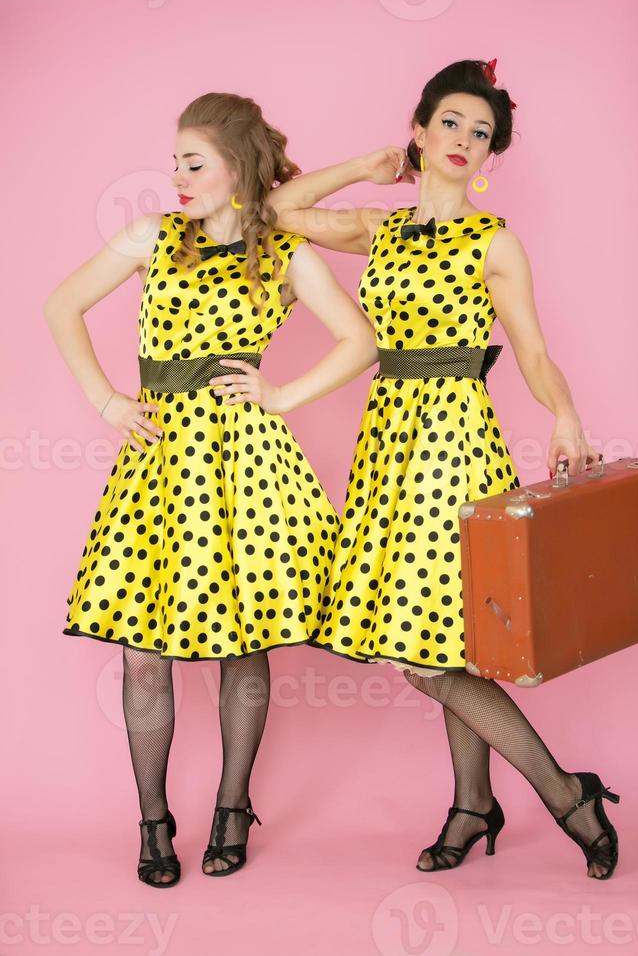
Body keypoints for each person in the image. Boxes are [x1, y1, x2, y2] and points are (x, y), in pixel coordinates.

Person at [267, 59, 620, 879]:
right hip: (387, 440)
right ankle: (471, 802)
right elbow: (275, 210)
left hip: (453, 444)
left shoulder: (494, 241)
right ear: (420, 132)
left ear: (491, 157)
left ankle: (567, 793)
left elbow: (532, 351)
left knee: (426, 651)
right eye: (451, 124)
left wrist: (565, 414)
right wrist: (365, 164)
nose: (465, 141)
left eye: (482, 133)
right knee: (445, 638)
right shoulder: (377, 229)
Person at [44, 92, 378, 887]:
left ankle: (234, 808)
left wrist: (281, 397)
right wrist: (106, 400)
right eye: (177, 163)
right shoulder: (154, 237)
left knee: (245, 643)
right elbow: (62, 306)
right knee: (143, 652)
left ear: (238, 165)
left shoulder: (284, 252)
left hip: (247, 465)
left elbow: (361, 339)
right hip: (159, 465)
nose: (179, 177)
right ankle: (153, 821)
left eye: (193, 162)